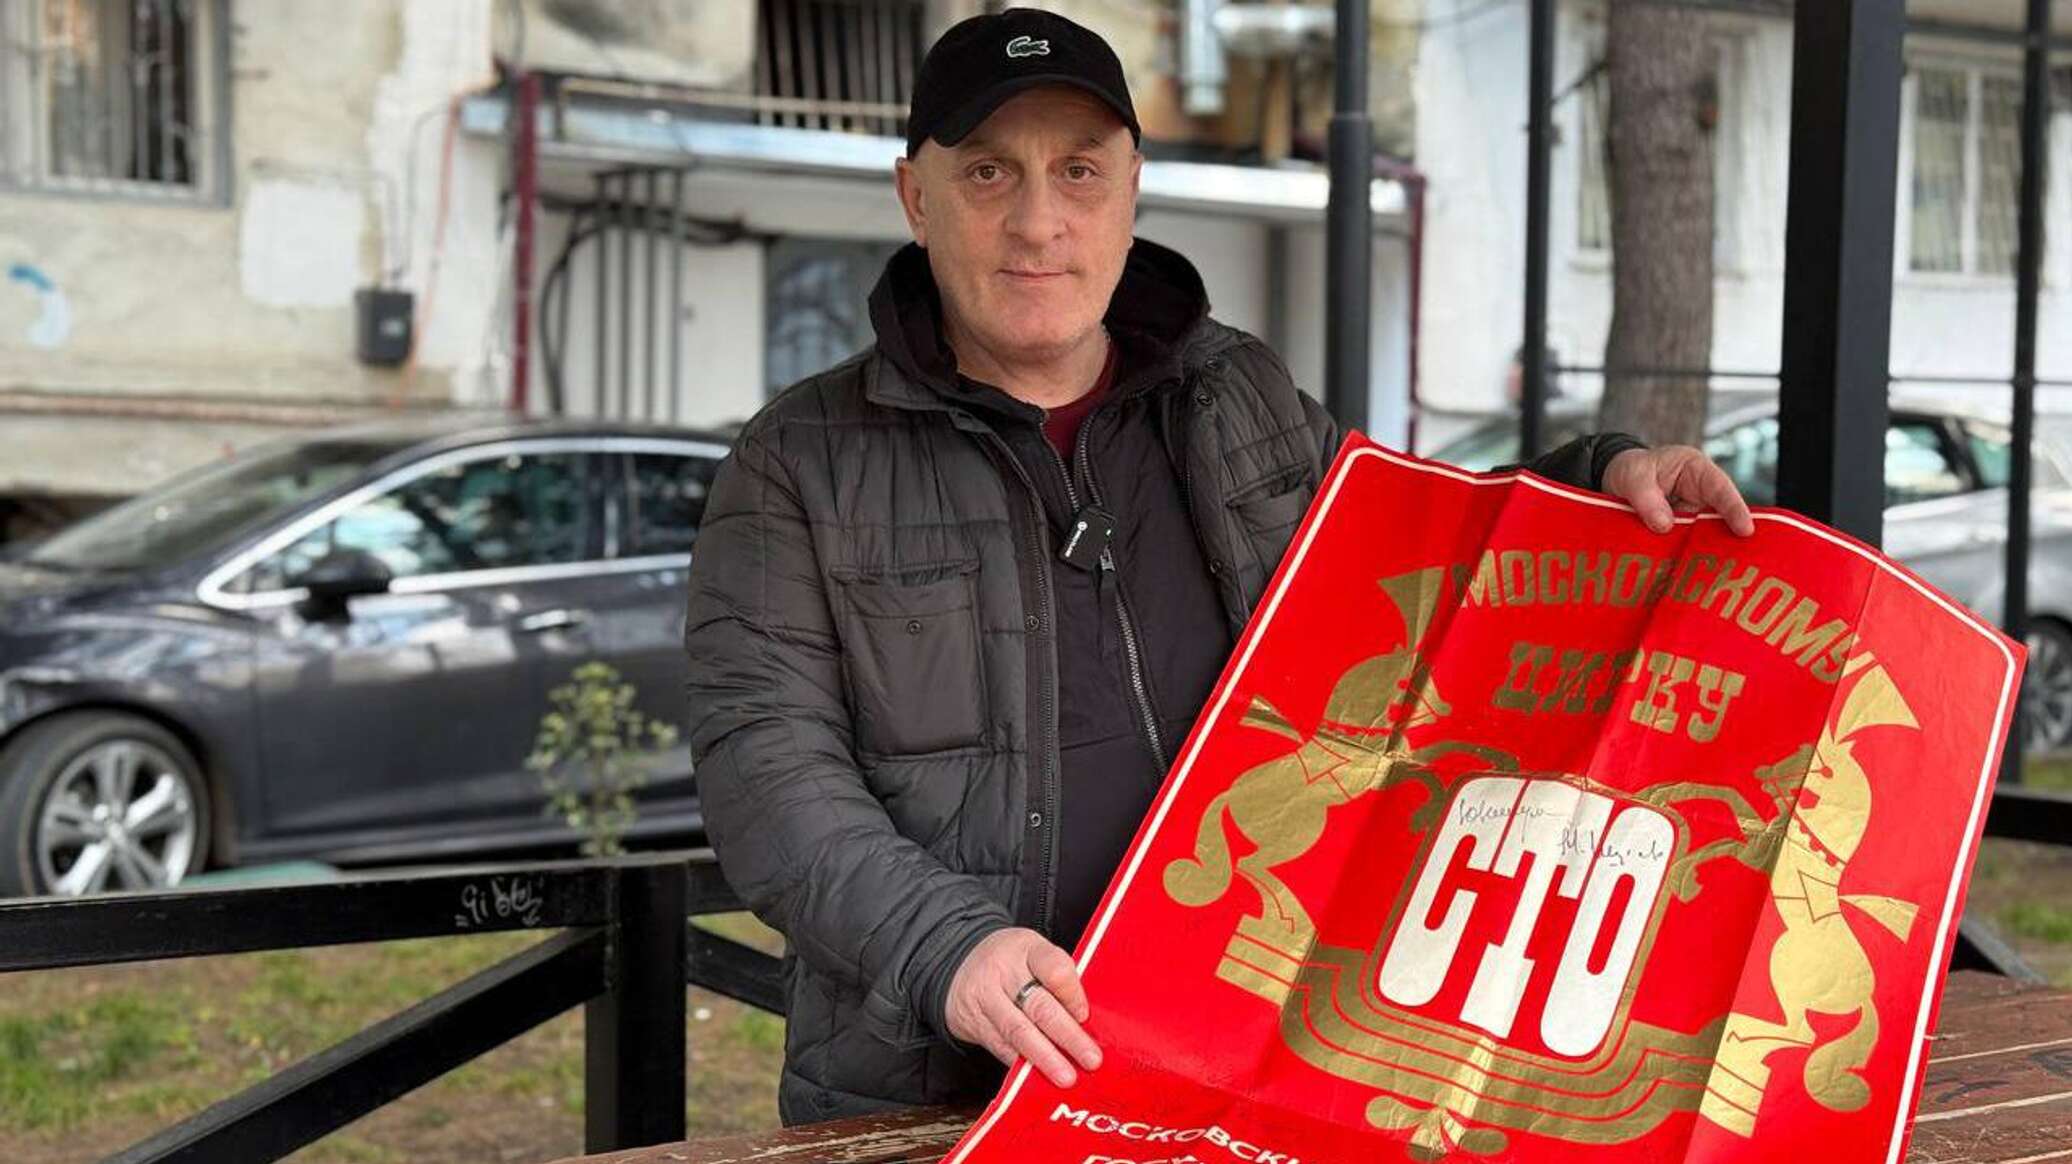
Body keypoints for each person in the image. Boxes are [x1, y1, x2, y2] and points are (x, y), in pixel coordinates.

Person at [681, 6, 1754, 1125]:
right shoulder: (799, 460)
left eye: (1079, 170)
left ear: (1132, 189)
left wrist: (1597, 480)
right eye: (989, 173)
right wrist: (944, 947)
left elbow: (1422, 558)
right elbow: (766, 768)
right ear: (916, 196)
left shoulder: (1240, 394)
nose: (1039, 221)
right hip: (937, 1087)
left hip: (1242, 1059)